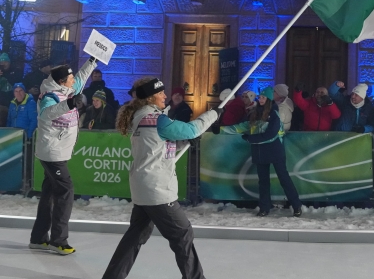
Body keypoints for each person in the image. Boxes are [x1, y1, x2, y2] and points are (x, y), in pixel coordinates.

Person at [103, 77, 220, 279]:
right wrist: (214, 114)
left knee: (135, 236)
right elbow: (192, 129)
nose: (165, 96)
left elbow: (159, 149)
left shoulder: (141, 117)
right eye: (160, 93)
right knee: (183, 233)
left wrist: (184, 143)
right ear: (150, 97)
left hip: (144, 188)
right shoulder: (156, 119)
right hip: (156, 190)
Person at [29, 56, 98, 255]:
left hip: (57, 151)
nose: (73, 80)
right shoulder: (49, 96)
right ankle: (58, 240)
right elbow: (46, 114)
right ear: (61, 81)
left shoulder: (66, 90)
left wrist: (92, 60)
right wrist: (69, 105)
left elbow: (81, 78)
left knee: (50, 194)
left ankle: (38, 238)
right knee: (66, 193)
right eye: (69, 78)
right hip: (52, 153)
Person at [214, 87, 302, 217]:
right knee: (263, 181)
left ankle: (296, 205)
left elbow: (271, 135)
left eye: (262, 97)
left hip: (275, 151)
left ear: (268, 100)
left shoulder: (274, 115)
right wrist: (220, 129)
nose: (259, 99)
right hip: (260, 152)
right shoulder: (254, 113)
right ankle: (264, 207)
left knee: (284, 178)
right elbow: (242, 127)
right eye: (260, 97)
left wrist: (251, 139)